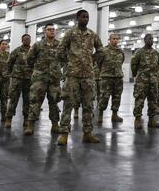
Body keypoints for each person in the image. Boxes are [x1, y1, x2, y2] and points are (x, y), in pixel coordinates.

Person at [57, 10, 103, 146]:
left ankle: (88, 133)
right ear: (77, 18)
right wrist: (69, 61)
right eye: (83, 17)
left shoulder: (92, 34)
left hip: (88, 75)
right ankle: (64, 134)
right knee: (68, 104)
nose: (86, 19)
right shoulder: (70, 33)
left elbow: (101, 49)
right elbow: (60, 50)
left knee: (88, 105)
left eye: (87, 17)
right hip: (72, 75)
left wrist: (93, 59)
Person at [25, 23, 62, 136]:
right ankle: (30, 125)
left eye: (53, 29)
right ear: (45, 31)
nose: (51, 31)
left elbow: (64, 58)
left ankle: (55, 125)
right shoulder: (38, 44)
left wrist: (57, 69)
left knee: (54, 102)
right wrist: (37, 70)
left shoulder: (60, 45)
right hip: (39, 78)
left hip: (54, 79)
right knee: (35, 101)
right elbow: (29, 59)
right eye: (49, 29)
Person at [131, 34, 159, 129]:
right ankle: (138, 119)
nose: (151, 40)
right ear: (145, 40)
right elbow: (133, 65)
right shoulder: (139, 52)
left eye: (152, 39)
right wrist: (138, 75)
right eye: (149, 39)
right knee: (139, 100)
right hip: (141, 81)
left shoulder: (156, 53)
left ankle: (152, 120)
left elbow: (158, 65)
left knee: (153, 101)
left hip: (153, 81)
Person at [5, 33, 32, 129]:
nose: (27, 40)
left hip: (29, 80)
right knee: (13, 99)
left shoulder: (33, 51)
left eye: (28, 39)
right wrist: (9, 75)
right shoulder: (16, 51)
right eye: (25, 39)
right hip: (17, 79)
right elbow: (9, 63)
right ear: (22, 40)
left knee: (28, 101)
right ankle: (9, 119)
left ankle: (26, 119)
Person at [97, 33, 125, 124]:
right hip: (106, 78)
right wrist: (104, 72)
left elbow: (121, 62)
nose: (115, 40)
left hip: (118, 78)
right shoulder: (104, 51)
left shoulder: (120, 52)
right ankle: (100, 115)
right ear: (109, 40)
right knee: (104, 97)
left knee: (117, 97)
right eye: (113, 39)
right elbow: (99, 63)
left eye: (117, 39)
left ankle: (114, 115)